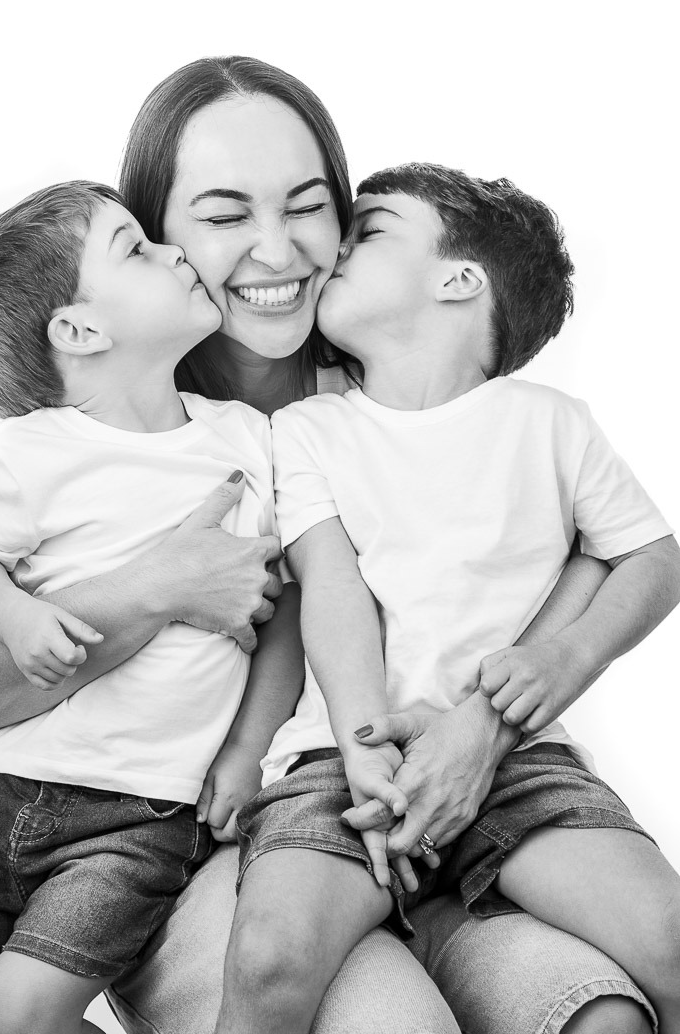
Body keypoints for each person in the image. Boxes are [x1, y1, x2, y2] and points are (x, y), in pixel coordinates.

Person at [0, 57, 661, 1034]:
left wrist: (485, 726)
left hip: (439, 797)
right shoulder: (92, 430)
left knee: (600, 1014)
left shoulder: (399, 381)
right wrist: (150, 588)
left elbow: (596, 549)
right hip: (196, 848)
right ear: (158, 236)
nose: (279, 249)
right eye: (223, 216)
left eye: (309, 205)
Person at [214, 163, 680, 1034]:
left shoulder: (550, 421)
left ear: (459, 280)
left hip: (520, 761)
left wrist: (562, 658)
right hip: (339, 761)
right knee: (269, 958)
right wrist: (362, 749)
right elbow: (333, 585)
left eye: (372, 229)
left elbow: (653, 556)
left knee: (669, 938)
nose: (336, 248)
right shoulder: (307, 431)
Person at [0, 181, 300, 1034]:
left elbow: (286, 617)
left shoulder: (245, 439)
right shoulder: (31, 452)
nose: (174, 250)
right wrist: (17, 619)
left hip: (144, 809)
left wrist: (245, 750)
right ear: (81, 331)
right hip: (4, 792)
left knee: (21, 1010)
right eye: (136, 247)